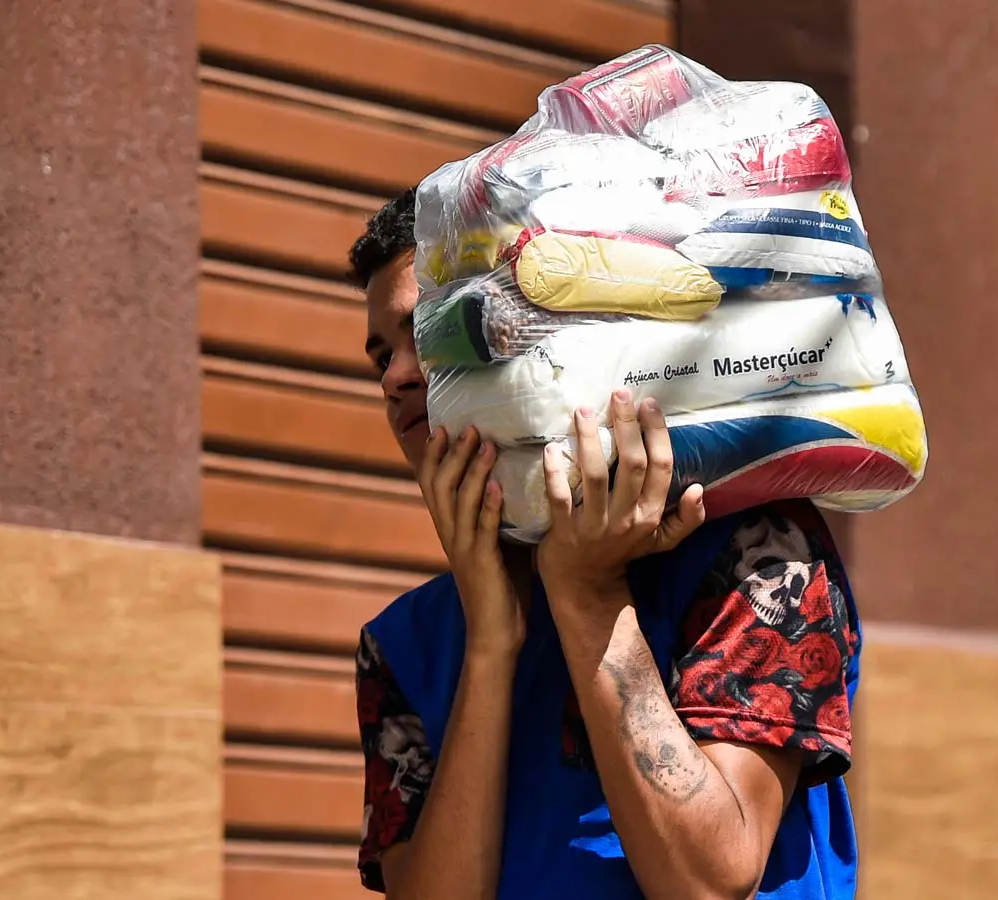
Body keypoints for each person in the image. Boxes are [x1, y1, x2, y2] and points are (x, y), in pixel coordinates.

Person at [349, 188, 860, 899]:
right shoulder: (405, 643)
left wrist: (586, 595)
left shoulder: (754, 552)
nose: (396, 377)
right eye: (380, 357)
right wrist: (492, 644)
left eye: (427, 333)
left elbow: (711, 880)